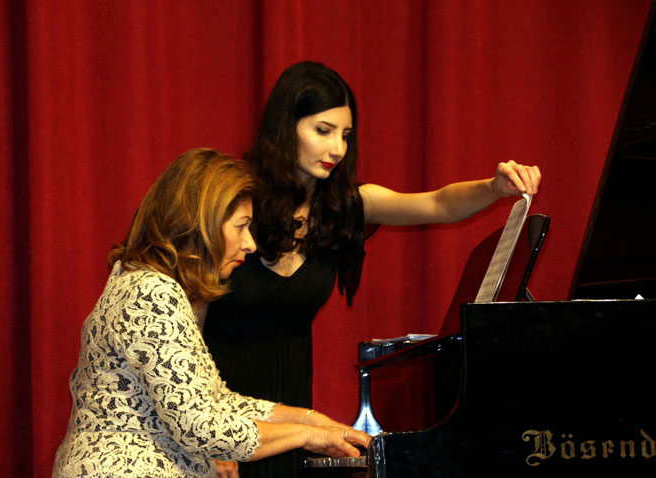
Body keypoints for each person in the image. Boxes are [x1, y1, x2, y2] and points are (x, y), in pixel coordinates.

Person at [203, 61, 542, 478]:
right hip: (216, 409)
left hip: (292, 411)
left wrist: (493, 188)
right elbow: (188, 314)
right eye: (323, 131)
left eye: (346, 135)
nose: (337, 149)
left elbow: (436, 204)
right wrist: (204, 432)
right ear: (285, 126)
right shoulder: (234, 198)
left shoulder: (344, 206)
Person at [52, 148, 372, 478]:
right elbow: (200, 427)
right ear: (202, 223)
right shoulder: (152, 292)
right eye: (241, 227)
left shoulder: (148, 284)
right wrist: (306, 435)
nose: (250, 244)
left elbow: (216, 402)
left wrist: (309, 420)